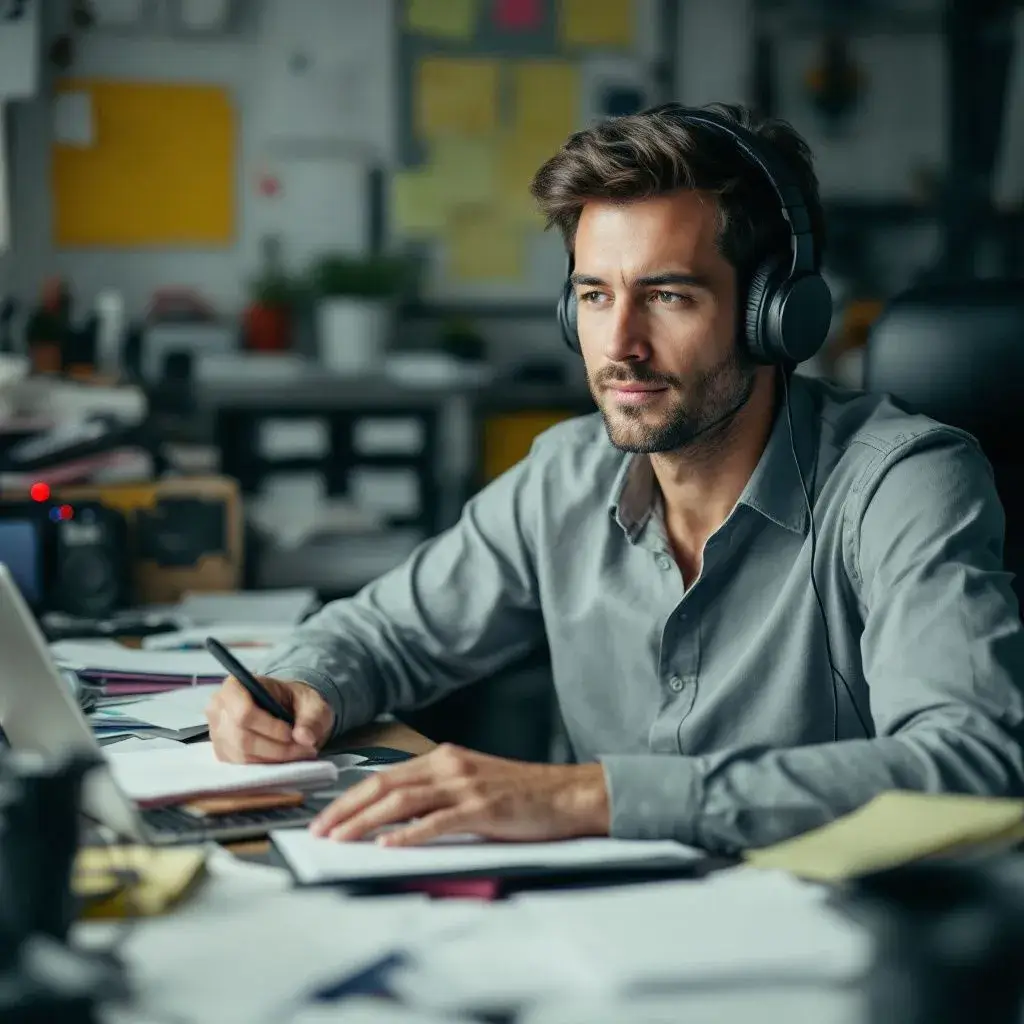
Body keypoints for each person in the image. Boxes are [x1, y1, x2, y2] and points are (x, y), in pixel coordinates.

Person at [205, 103, 1024, 854]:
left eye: (666, 295)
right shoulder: (564, 476)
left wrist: (594, 796)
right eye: (595, 295)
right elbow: (382, 634)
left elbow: (973, 763)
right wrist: (298, 685)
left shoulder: (905, 483)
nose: (620, 344)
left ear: (773, 313)